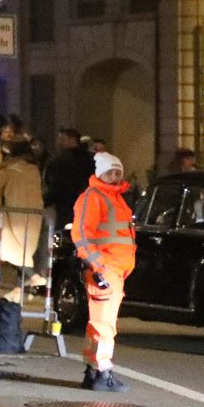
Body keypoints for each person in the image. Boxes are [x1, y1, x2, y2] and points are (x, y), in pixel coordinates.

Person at [71, 152, 136, 392]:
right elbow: (81, 234)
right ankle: (102, 372)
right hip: (105, 269)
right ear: (99, 174)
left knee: (100, 323)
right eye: (110, 172)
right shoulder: (94, 197)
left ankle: (93, 372)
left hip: (112, 270)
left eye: (118, 172)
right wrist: (98, 265)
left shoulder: (114, 198)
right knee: (104, 325)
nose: (115, 176)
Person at [0, 132, 46, 299]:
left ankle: (33, 277)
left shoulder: (8, 170)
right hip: (33, 215)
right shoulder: (33, 169)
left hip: (12, 216)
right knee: (24, 251)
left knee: (8, 251)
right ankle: (18, 290)